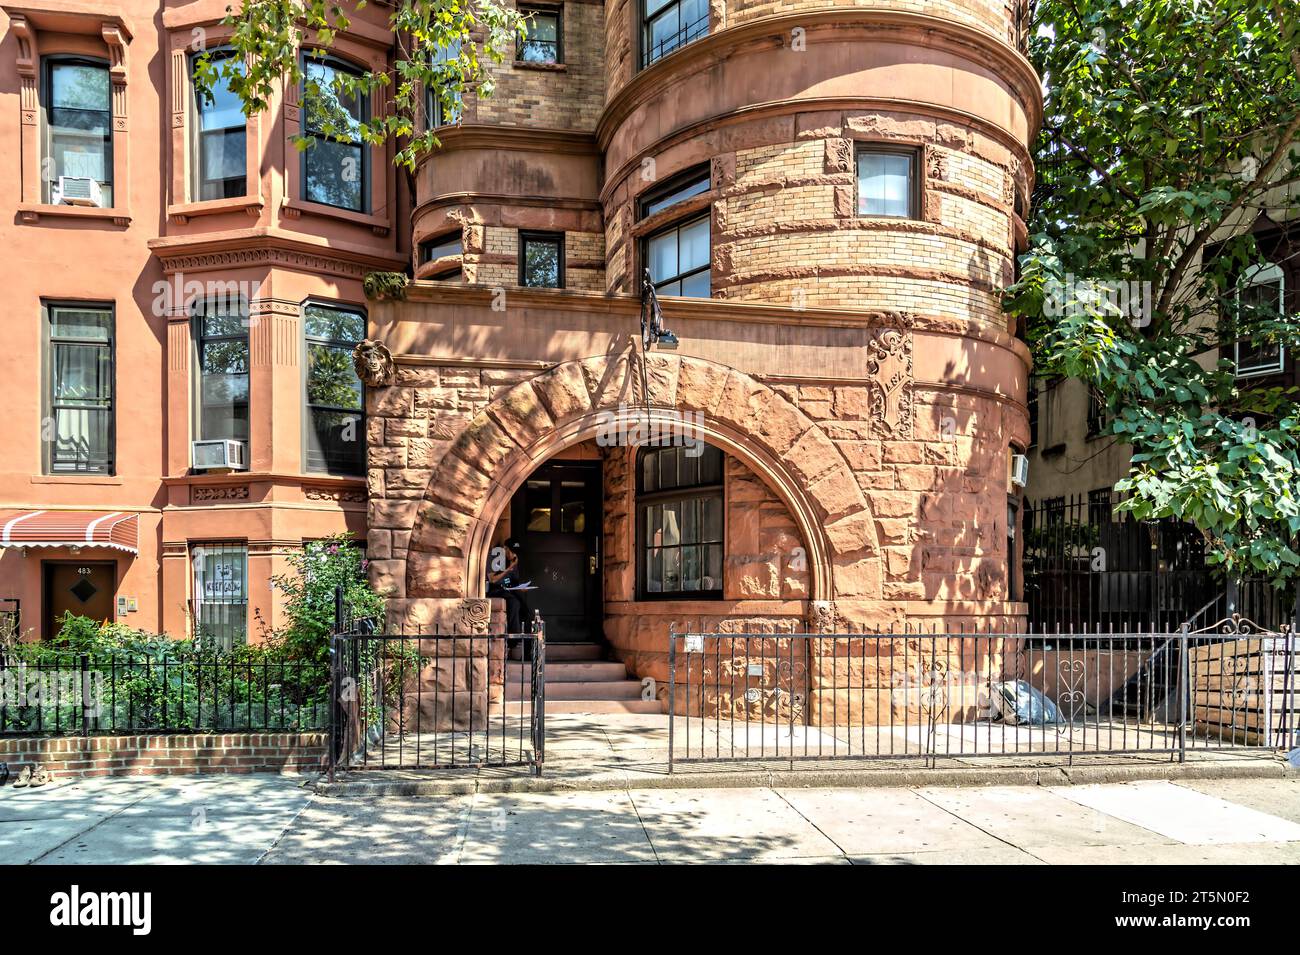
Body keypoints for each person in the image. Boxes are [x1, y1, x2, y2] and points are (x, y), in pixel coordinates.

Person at [486, 539, 533, 657]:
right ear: (505, 549)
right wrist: (509, 568)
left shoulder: (515, 562)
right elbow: (493, 580)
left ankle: (527, 652)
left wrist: (521, 588)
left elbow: (512, 582)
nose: (512, 554)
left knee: (527, 613)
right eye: (510, 551)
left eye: (514, 552)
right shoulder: (497, 560)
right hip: (496, 591)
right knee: (514, 602)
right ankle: (513, 639)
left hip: (509, 591)